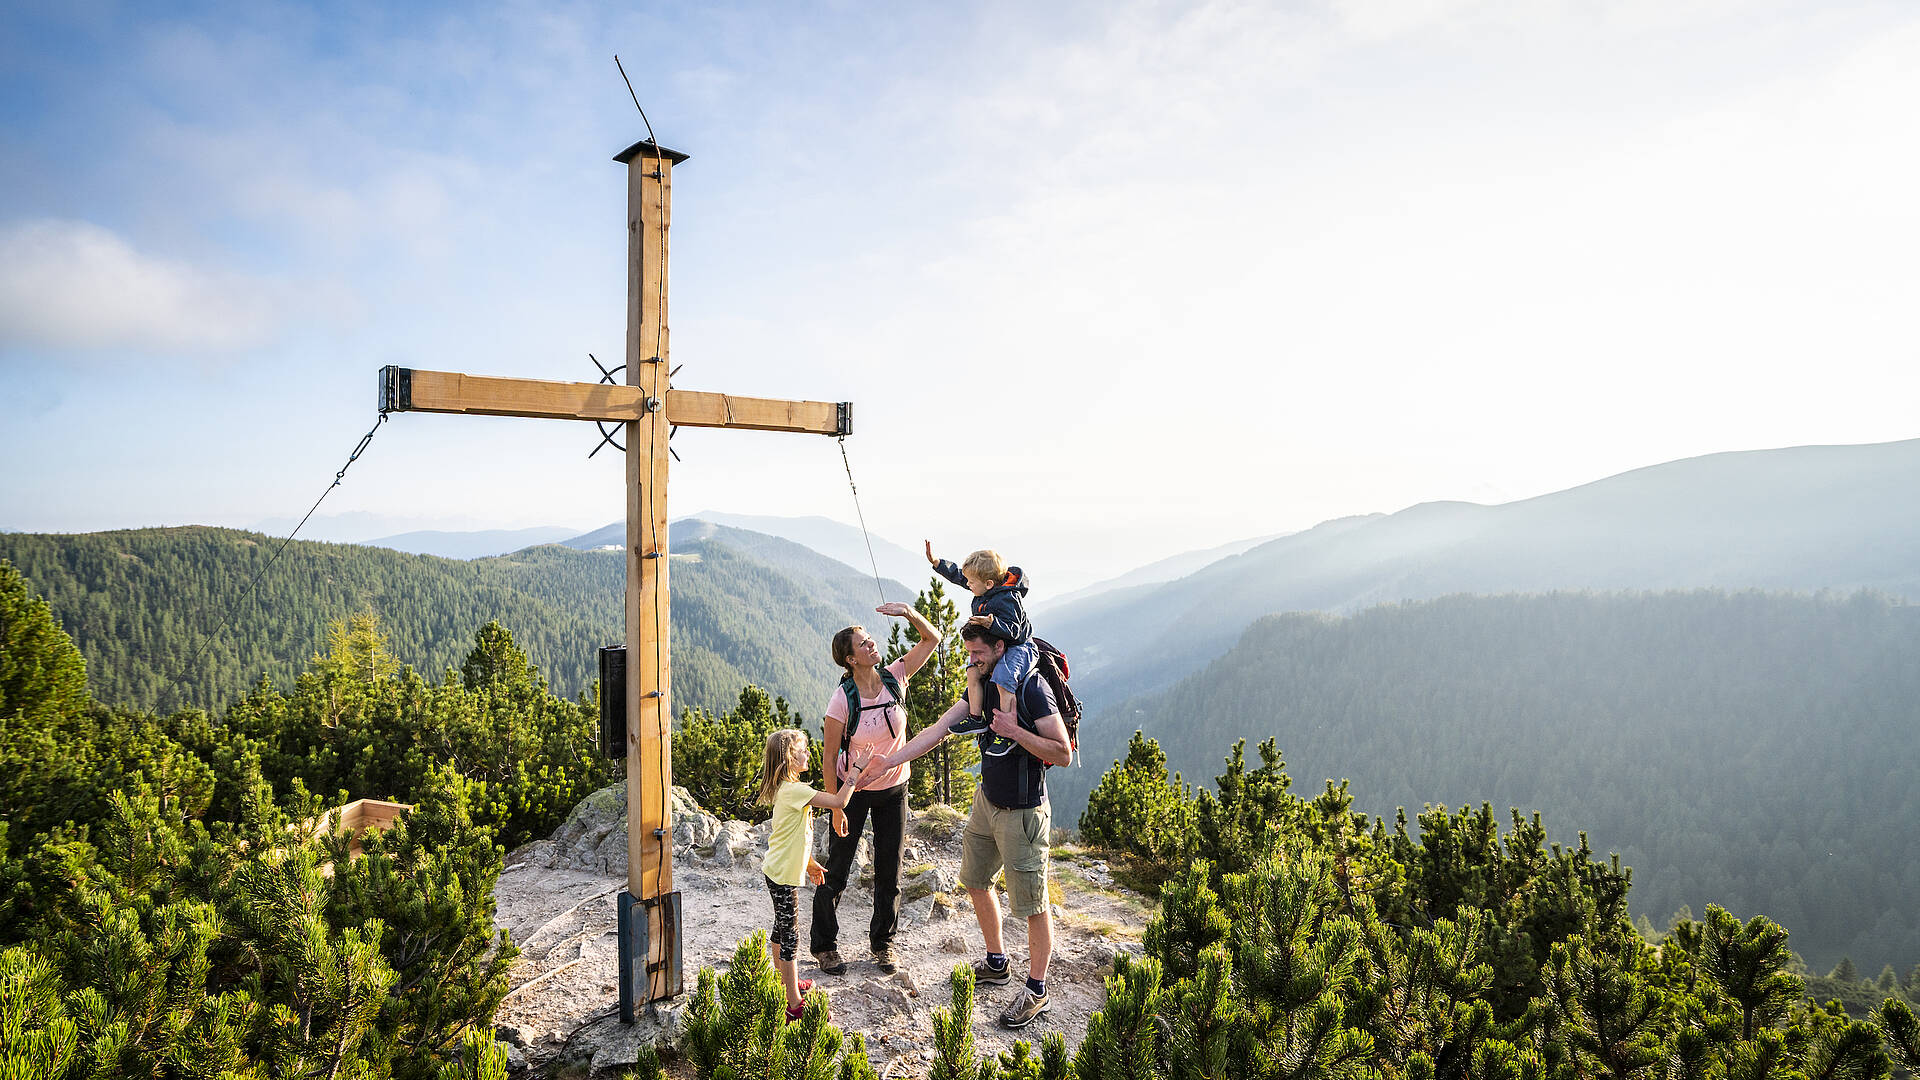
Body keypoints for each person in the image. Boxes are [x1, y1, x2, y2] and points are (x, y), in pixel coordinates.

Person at [868, 622, 1072, 1029]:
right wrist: (889, 761)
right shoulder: (982, 687)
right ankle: (997, 963)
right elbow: (937, 731)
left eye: (978, 653)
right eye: (968, 653)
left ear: (1000, 646)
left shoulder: (1031, 688)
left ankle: (1037, 991)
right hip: (987, 802)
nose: (971, 660)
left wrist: (1015, 731)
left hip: (1024, 809)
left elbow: (1063, 752)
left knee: (1032, 905)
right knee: (976, 881)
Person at [810, 601, 942, 977]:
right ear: (850, 660)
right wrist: (835, 806)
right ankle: (824, 946)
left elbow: (933, 639)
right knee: (837, 870)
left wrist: (909, 614)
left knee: (890, 871)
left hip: (894, 788)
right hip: (852, 793)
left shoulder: (894, 677)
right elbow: (828, 757)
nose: (872, 645)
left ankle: (883, 944)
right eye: (863, 644)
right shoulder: (842, 700)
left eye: (870, 640)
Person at [757, 728, 875, 1022]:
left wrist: (809, 863)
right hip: (782, 875)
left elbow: (792, 835)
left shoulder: (788, 789)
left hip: (778, 869)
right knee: (790, 938)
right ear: (788, 757)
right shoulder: (795, 790)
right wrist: (857, 769)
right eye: (803, 750)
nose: (808, 753)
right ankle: (794, 1004)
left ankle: (784, 984)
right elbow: (839, 802)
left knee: (780, 929)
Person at [925, 542, 1035, 758]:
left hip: (1018, 646)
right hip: (995, 642)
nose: (967, 584)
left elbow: (1014, 631)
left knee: (1004, 678)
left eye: (971, 582)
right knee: (972, 671)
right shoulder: (985, 587)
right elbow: (959, 575)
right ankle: (976, 719)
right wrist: (937, 563)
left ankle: (1007, 732)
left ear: (989, 583)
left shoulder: (1007, 599)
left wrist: (990, 625)